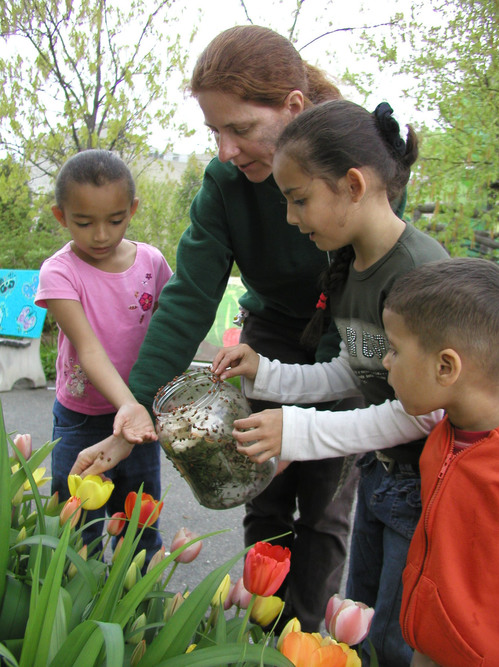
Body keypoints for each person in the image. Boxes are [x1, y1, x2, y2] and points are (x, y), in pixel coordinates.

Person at [69, 24, 378, 633]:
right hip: (268, 337)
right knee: (259, 493)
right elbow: (189, 296)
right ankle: (254, 636)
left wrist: (306, 424)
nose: (225, 149)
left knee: (322, 508)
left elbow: (360, 298)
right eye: (214, 130)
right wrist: (136, 407)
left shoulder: (351, 159)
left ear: (293, 106)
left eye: (239, 128)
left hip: (348, 339)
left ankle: (305, 639)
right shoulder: (226, 183)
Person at [211, 99, 449, 666]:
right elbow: (351, 371)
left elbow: (422, 412)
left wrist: (299, 432)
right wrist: (264, 371)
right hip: (381, 472)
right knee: (359, 622)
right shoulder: (351, 266)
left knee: (396, 637)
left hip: (427, 486)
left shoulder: (417, 272)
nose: (292, 219)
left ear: (352, 184)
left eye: (299, 200)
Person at [35, 149, 172, 557]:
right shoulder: (59, 272)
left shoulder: (151, 262)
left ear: (132, 209)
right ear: (61, 216)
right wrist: (128, 406)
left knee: (138, 529)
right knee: (78, 531)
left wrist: (140, 409)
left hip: (139, 420)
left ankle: (134, 613)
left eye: (114, 220)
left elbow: (171, 333)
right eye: (83, 222)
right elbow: (89, 349)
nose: (100, 235)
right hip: (81, 418)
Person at [380, 258, 499, 667]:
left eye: (394, 350)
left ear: (445, 366)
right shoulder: (441, 441)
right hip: (428, 644)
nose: (384, 361)